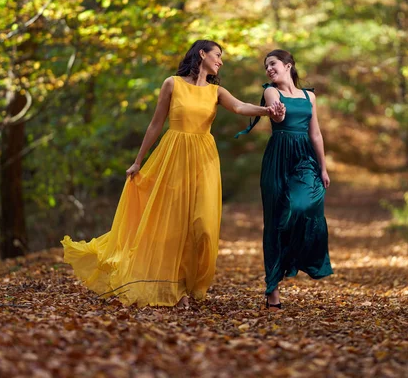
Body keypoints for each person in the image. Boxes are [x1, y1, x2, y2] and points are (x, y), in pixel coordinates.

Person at [61, 40, 283, 308]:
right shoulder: (172, 84)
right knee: (174, 223)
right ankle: (176, 290)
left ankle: (191, 283)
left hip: (204, 159)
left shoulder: (216, 91)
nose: (220, 61)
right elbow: (156, 124)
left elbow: (239, 107)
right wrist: (138, 161)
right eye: (217, 55)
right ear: (202, 54)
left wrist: (267, 111)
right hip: (173, 156)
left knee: (203, 227)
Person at [236, 49, 333, 310]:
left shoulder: (309, 96)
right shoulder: (271, 91)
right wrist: (276, 114)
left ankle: (296, 255)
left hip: (304, 158)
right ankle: (273, 290)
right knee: (275, 221)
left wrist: (323, 168)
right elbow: (275, 113)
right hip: (278, 159)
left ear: (288, 65)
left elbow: (316, 135)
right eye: (266, 66)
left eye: (273, 64)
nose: (268, 69)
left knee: (304, 206)